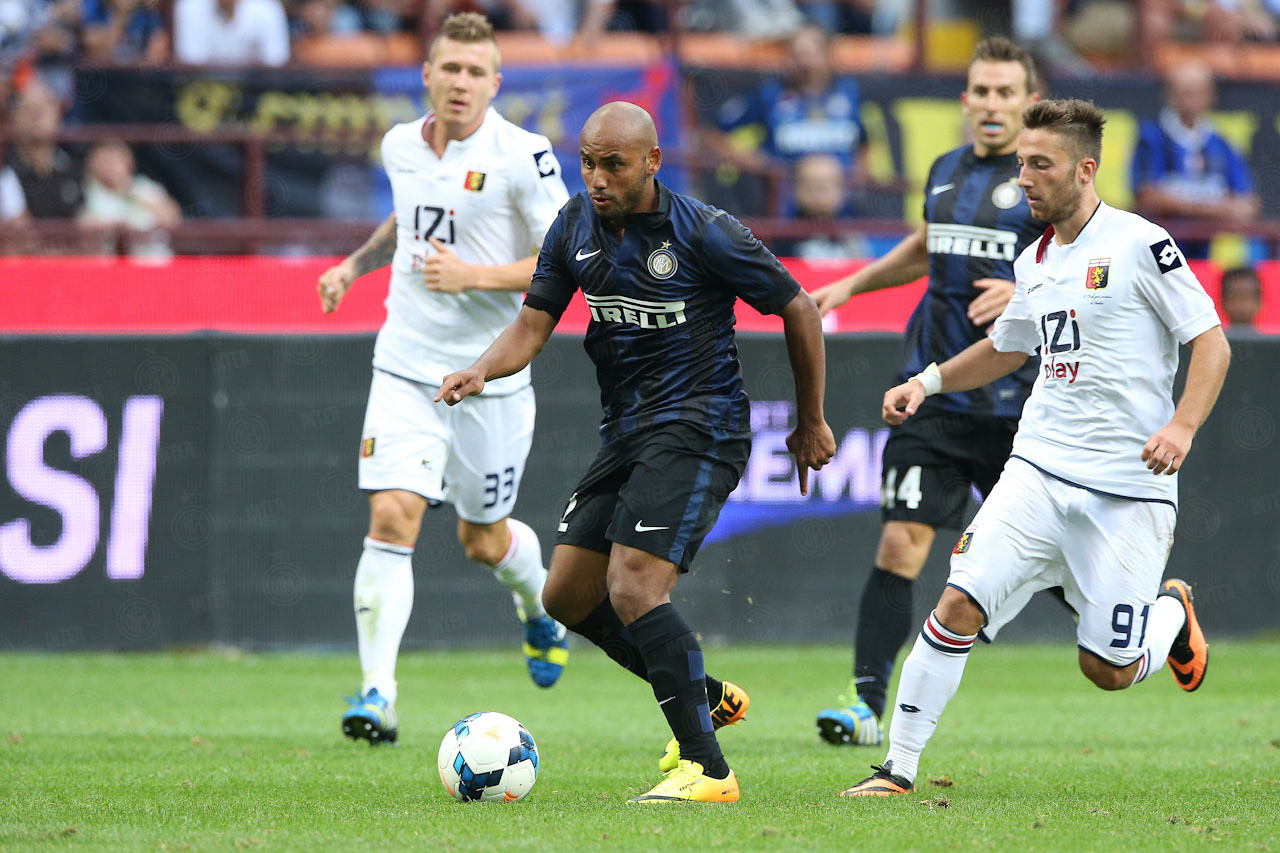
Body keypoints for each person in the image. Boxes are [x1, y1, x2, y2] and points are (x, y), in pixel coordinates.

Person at [436, 101, 836, 802]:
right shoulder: (573, 225)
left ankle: (709, 770)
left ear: (652, 161)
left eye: (613, 165)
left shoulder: (705, 231)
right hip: (626, 430)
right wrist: (481, 369)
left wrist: (811, 421)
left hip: (701, 427)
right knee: (565, 594)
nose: (596, 178)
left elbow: (798, 307)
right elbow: (531, 325)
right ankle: (702, 695)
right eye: (588, 163)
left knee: (634, 587)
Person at [841, 98, 1231, 797]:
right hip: (1038, 470)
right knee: (958, 602)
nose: (1023, 177)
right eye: (1021, 163)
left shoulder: (1141, 244)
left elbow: (1211, 342)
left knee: (1107, 668)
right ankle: (897, 769)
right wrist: (926, 382)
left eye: (1040, 165)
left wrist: (1181, 427)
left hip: (1128, 488)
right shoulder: (1036, 259)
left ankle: (1171, 613)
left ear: (1085, 170)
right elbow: (1006, 347)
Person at [315, 12, 572, 747]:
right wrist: (353, 266)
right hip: (405, 363)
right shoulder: (401, 145)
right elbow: (406, 222)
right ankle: (378, 694)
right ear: (427, 76)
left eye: (474, 71)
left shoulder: (524, 156)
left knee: (482, 540)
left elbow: (567, 256)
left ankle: (539, 608)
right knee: (393, 515)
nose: (461, 82)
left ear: (496, 83)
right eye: (449, 68)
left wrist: (475, 276)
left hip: (490, 376)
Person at [810, 36, 1047, 748]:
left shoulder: (1048, 179)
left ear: (1030, 101)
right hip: (931, 393)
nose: (993, 104)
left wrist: (1025, 290)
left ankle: (1148, 625)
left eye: (1006, 92)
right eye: (982, 91)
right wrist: (852, 284)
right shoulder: (945, 170)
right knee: (899, 544)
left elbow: (1090, 265)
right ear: (966, 100)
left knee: (1059, 565)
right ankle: (864, 705)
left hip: (1020, 406)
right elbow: (926, 246)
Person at [1131, 61, 1258, 259]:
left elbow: (1247, 205)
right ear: (1168, 95)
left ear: (1210, 96)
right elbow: (1148, 199)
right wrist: (1218, 207)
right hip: (1161, 256)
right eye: (1182, 92)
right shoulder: (1150, 139)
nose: (1188, 100)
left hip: (1210, 257)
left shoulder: (1223, 144)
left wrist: (1180, 204)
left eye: (1196, 92)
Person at [80, 140, 182, 256]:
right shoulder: (87, 194)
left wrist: (134, 196)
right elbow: (82, 233)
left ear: (128, 161)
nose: (110, 167)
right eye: (104, 161)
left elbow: (173, 218)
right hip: (108, 261)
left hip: (153, 259)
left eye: (115, 160)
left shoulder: (145, 187)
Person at [173, 0, 289, 66]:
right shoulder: (189, 6)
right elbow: (191, 64)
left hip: (254, 92)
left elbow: (276, 63)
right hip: (204, 90)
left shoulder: (267, 8)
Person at [1220, 265, 1263, 332]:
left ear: (1260, 301)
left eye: (1247, 297)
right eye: (1234, 298)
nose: (1241, 305)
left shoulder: (1274, 338)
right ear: (1223, 302)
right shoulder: (1214, 338)